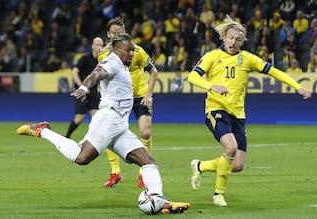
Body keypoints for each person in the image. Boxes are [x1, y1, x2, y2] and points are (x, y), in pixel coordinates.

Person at [16, 33, 190, 214]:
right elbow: (97, 73)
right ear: (116, 49)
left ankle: (159, 201)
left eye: (132, 49)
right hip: (108, 120)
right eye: (127, 50)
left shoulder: (123, 65)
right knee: (81, 158)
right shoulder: (112, 61)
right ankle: (44, 130)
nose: (131, 53)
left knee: (148, 161)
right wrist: (84, 87)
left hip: (120, 125)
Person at [187, 15, 311, 207]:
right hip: (216, 109)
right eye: (231, 38)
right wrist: (212, 86)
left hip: (238, 115)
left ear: (242, 41)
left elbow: (274, 71)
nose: (234, 42)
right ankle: (218, 195)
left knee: (237, 165)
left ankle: (200, 166)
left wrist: (297, 86)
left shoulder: (247, 58)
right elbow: (193, 77)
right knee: (230, 148)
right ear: (224, 37)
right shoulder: (211, 56)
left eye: (238, 39)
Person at [99, 17, 158, 189]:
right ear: (108, 35)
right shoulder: (103, 54)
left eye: (121, 32)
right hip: (117, 100)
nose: (118, 35)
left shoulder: (137, 51)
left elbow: (153, 71)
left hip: (139, 96)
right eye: (114, 32)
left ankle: (143, 172)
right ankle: (115, 172)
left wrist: (149, 94)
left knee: (145, 133)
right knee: (108, 135)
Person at [65, 37, 104, 139]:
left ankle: (93, 141)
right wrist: (82, 87)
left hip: (93, 93)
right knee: (79, 118)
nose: (100, 47)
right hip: (82, 93)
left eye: (101, 45)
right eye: (98, 45)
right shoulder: (85, 58)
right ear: (92, 46)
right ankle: (67, 136)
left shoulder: (102, 61)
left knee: (96, 119)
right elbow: (74, 72)